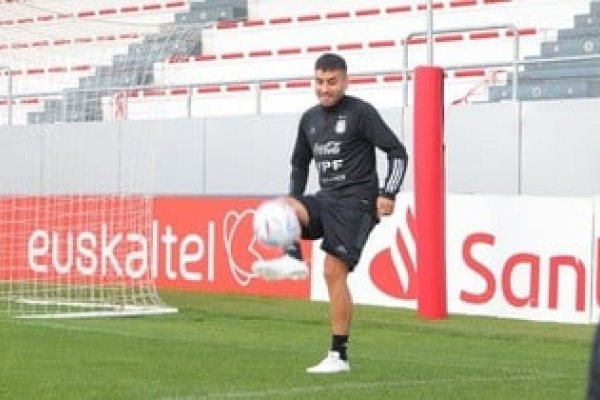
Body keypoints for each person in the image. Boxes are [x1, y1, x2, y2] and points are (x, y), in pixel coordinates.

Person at [252, 52, 408, 374]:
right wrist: (295, 208)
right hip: (326, 199)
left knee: (332, 271)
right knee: (281, 208)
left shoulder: (361, 113)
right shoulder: (309, 118)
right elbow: (299, 161)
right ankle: (292, 259)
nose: (325, 88)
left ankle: (338, 356)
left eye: (332, 82)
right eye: (320, 82)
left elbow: (397, 152)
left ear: (345, 81)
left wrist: (388, 193)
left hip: (358, 203)